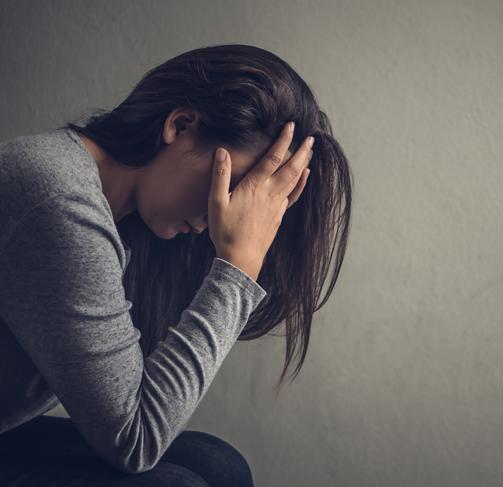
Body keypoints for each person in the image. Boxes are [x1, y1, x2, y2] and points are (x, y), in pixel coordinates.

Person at [0, 43, 352, 485]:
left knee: (217, 463)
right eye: (235, 187)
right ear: (180, 125)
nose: (225, 214)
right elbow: (136, 440)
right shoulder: (59, 198)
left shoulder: (118, 218)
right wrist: (239, 266)